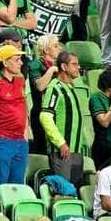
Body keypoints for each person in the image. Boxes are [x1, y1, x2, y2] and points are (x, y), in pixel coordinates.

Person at [0, 43, 31, 189]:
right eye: (17, 60)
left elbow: (25, 106)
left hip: (21, 141)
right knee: (2, 182)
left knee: (18, 183)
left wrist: (26, 130)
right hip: (2, 139)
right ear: (5, 62)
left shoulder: (21, 80)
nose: (21, 63)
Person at [40, 51, 85, 186]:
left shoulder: (71, 87)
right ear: (64, 67)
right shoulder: (54, 88)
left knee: (75, 192)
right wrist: (60, 143)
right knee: (64, 192)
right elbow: (45, 117)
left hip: (76, 150)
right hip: (62, 151)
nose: (78, 67)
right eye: (74, 64)